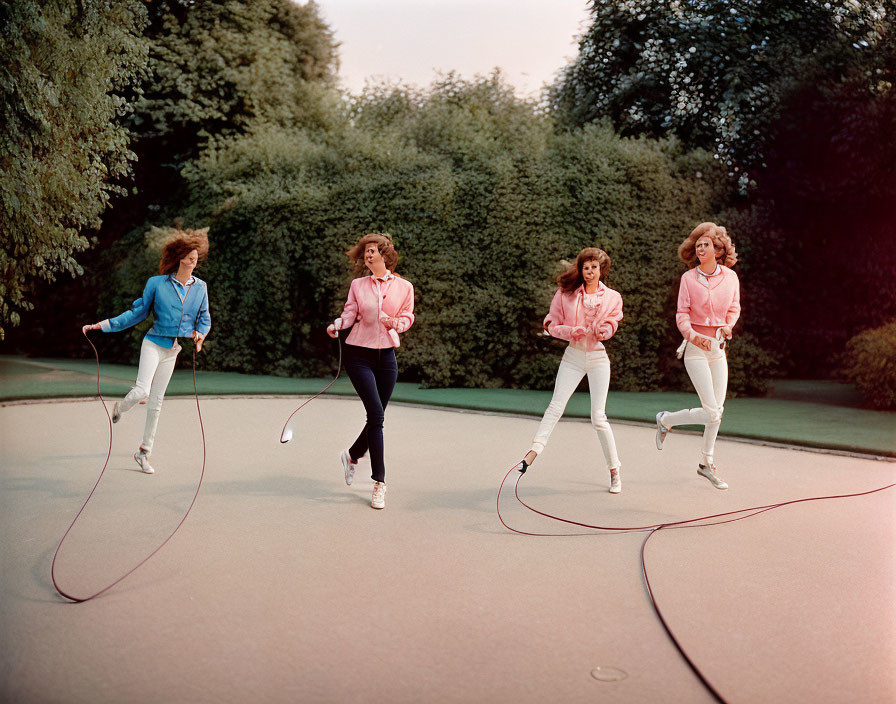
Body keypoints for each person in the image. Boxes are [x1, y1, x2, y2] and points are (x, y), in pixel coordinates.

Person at [82, 228, 211, 474]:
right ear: (180, 257)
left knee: (157, 402)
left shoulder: (200, 288)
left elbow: (204, 319)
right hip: (153, 343)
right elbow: (136, 313)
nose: (194, 258)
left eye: (196, 255)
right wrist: (102, 325)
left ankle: (143, 452)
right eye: (189, 254)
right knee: (142, 390)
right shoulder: (157, 283)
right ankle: (120, 408)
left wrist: (199, 336)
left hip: (172, 350)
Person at [520, 247, 624, 493]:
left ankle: (614, 470)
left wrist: (605, 331)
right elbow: (550, 324)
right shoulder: (565, 294)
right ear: (581, 269)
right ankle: (534, 450)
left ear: (601, 270)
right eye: (585, 267)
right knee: (556, 405)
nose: (589, 271)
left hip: (598, 358)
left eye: (594, 267)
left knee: (599, 417)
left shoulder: (612, 297)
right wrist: (569, 331)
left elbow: (613, 322)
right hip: (573, 356)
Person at [327, 233, 415, 509]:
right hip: (358, 355)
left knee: (377, 416)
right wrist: (337, 325)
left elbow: (408, 316)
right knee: (375, 415)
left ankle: (352, 455)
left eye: (372, 250)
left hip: (386, 356)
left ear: (385, 254)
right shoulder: (357, 285)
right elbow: (350, 313)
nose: (367, 255)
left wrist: (396, 323)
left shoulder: (405, 287)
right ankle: (380, 483)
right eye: (365, 251)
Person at [654, 222, 740, 489]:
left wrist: (729, 325)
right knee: (712, 412)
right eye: (698, 245)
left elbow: (734, 308)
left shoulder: (731, 277)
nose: (701, 248)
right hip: (695, 350)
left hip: (718, 350)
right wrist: (693, 336)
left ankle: (705, 462)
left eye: (707, 245)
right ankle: (666, 419)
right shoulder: (688, 279)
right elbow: (681, 314)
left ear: (718, 249)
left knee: (718, 411)